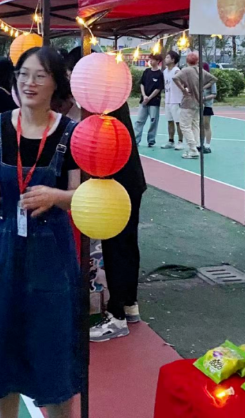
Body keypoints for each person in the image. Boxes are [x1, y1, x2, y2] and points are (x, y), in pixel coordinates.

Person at [0, 47, 81, 418]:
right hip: (1, 249)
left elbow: (86, 196)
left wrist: (57, 196)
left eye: (40, 75)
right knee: (0, 348)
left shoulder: (72, 133)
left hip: (52, 255)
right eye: (23, 74)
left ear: (56, 83)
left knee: (53, 351)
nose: (29, 83)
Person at [90, 100, 147, 342]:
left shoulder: (101, 107)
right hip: (129, 180)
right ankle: (129, 304)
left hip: (117, 183)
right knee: (126, 244)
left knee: (116, 247)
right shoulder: (113, 101)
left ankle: (116, 316)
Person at [173, 51, 217, 160]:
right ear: (197, 61)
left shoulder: (186, 70)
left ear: (187, 60)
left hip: (188, 101)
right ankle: (196, 146)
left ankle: (193, 148)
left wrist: (183, 89)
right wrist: (202, 87)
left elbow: (175, 78)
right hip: (199, 101)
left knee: (185, 126)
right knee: (195, 124)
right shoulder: (200, 70)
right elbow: (214, 79)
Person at [134, 53, 164, 147]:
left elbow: (158, 88)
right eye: (150, 59)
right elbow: (142, 84)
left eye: (152, 59)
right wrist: (144, 96)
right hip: (144, 101)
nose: (150, 61)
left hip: (154, 102)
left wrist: (149, 97)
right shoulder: (146, 71)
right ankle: (136, 140)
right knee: (139, 121)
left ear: (158, 61)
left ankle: (151, 140)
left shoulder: (160, 74)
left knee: (153, 121)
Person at [161, 51, 184, 150]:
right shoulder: (165, 71)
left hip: (176, 100)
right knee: (169, 121)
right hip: (168, 100)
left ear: (173, 60)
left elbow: (183, 83)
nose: (165, 59)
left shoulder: (177, 71)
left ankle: (180, 141)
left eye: (167, 57)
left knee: (178, 122)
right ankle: (171, 141)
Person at [202, 63, 217, 153]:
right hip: (198, 106)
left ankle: (207, 145)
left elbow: (214, 94)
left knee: (206, 125)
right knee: (199, 125)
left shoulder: (211, 80)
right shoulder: (198, 79)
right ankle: (200, 144)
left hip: (207, 105)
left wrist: (204, 98)